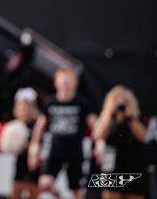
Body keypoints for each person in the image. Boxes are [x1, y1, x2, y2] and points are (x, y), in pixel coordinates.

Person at [28, 67, 97, 199]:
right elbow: (39, 127)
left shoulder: (81, 102)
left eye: (68, 81)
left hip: (75, 152)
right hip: (55, 151)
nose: (65, 84)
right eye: (62, 81)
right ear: (56, 83)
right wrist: (34, 150)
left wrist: (99, 145)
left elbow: (95, 126)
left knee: (76, 190)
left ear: (75, 83)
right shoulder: (50, 102)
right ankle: (59, 195)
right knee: (44, 183)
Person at [92, 85, 147, 199]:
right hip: (111, 168)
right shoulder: (107, 118)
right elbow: (98, 135)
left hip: (134, 167)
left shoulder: (135, 119)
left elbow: (144, 137)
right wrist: (109, 114)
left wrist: (129, 117)